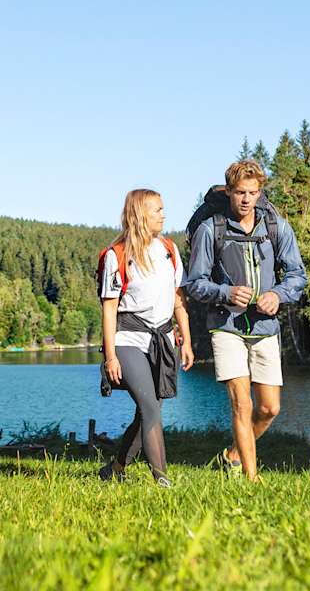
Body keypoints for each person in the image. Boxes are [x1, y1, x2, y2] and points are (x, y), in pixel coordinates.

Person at [182, 160, 306, 480]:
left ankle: (233, 454)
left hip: (265, 326)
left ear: (260, 192)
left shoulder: (276, 226)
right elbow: (195, 283)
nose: (246, 199)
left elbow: (296, 275)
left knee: (269, 409)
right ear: (229, 191)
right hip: (226, 325)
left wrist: (278, 295)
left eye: (252, 192)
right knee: (242, 404)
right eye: (240, 193)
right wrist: (226, 292)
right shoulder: (212, 229)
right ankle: (250, 479)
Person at [98, 189, 194, 487]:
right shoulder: (117, 255)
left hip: (163, 338)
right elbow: (110, 307)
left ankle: (115, 469)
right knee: (150, 407)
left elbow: (178, 300)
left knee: (148, 411)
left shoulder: (169, 249)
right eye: (158, 210)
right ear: (140, 214)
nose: (164, 215)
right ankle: (162, 479)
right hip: (128, 338)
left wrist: (186, 340)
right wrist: (110, 355)